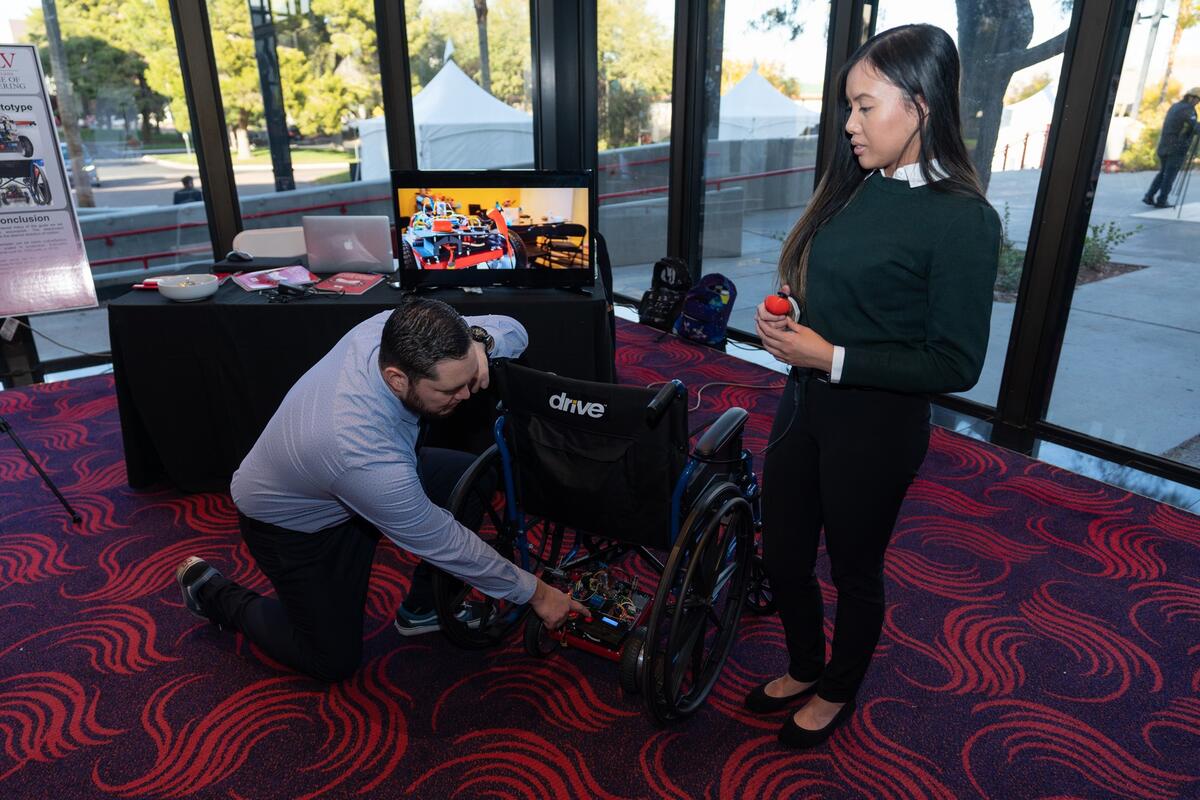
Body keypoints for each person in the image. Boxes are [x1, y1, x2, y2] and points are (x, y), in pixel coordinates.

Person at [747, 24, 1000, 749]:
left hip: (877, 428)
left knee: (854, 568)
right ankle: (803, 664)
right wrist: (799, 317)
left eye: (864, 107)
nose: (850, 125)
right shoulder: (856, 188)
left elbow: (955, 363)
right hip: (806, 403)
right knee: (785, 556)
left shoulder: (962, 219)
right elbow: (846, 297)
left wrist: (832, 355)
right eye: (847, 110)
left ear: (920, 104)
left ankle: (839, 687)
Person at [176, 296, 586, 682]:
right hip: (295, 527)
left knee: (471, 478)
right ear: (396, 379)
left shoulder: (390, 331)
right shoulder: (355, 447)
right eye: (450, 390)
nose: (468, 393)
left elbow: (515, 330)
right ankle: (212, 593)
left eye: (467, 379)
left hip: (363, 476)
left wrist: (481, 343)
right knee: (331, 661)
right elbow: (442, 540)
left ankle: (423, 608)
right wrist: (536, 593)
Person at [1143, 88, 1199, 209]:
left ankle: (1149, 196)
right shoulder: (1188, 110)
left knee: (1163, 173)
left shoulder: (1175, 106)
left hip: (1164, 146)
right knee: (1169, 176)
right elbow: (1195, 127)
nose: (1198, 102)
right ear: (1191, 97)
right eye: (1198, 99)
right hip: (1176, 149)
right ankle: (1162, 200)